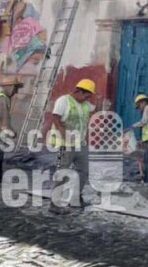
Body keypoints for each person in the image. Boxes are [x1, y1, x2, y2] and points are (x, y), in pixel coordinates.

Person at [48, 79, 96, 209]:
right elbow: (56, 119)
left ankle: (75, 198)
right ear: (79, 91)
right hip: (65, 144)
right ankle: (55, 203)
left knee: (84, 171)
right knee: (62, 172)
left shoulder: (85, 104)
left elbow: (94, 110)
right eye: (87, 95)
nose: (88, 98)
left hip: (80, 144)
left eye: (89, 96)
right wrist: (65, 136)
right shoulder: (63, 101)